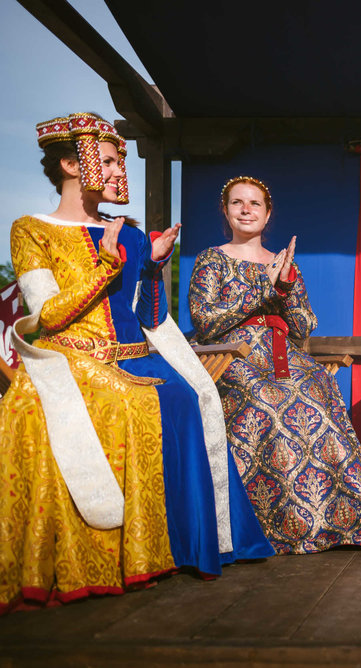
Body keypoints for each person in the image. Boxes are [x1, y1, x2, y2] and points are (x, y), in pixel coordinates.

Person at [0, 113, 273, 614]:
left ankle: (191, 546)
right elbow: (47, 317)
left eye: (117, 162)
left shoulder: (128, 234)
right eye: (105, 161)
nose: (115, 171)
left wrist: (152, 266)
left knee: (191, 398)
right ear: (70, 165)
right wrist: (105, 268)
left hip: (138, 355)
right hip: (73, 357)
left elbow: (149, 315)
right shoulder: (31, 229)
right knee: (131, 404)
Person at [188, 176, 361, 554]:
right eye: (237, 203)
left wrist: (285, 287)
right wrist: (262, 288)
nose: (246, 210)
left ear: (268, 213)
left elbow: (303, 327)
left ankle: (336, 514)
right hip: (232, 356)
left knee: (317, 387)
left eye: (255, 203)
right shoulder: (211, 259)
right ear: (225, 210)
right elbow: (205, 321)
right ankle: (274, 520)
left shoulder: (284, 263)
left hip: (283, 354)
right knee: (265, 399)